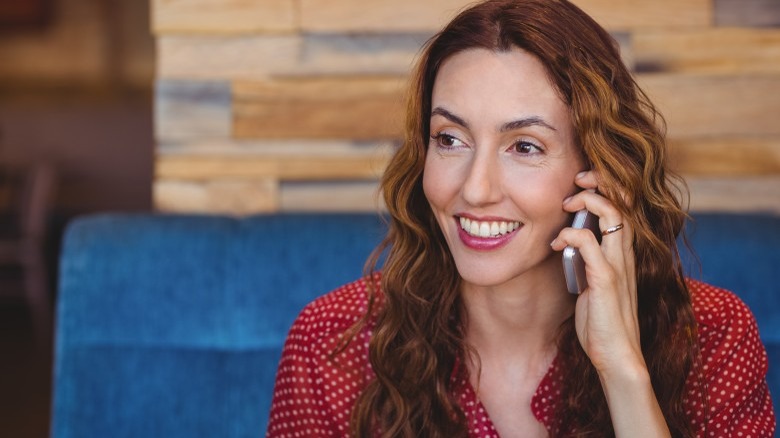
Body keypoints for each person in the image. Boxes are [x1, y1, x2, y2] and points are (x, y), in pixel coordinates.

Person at [266, 0, 775, 436]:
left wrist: (622, 370)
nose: (475, 189)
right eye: (450, 139)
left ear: (598, 171)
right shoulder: (332, 342)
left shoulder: (712, 337)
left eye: (524, 146)